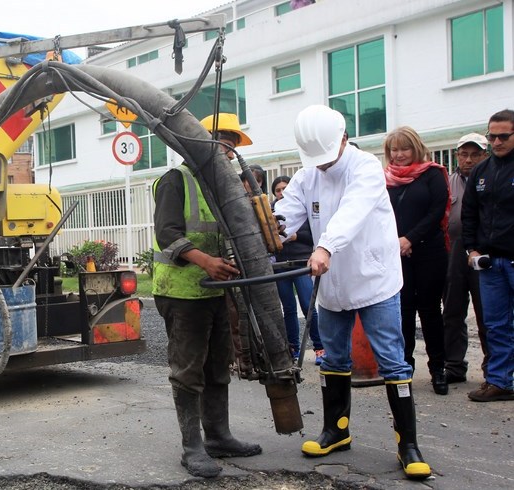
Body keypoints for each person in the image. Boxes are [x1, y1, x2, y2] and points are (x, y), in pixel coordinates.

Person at [275, 105, 432, 479]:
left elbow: (352, 212)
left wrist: (324, 246)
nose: (323, 164)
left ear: (343, 139)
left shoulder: (366, 168)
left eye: (327, 156)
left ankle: (408, 445)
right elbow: (286, 215)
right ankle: (336, 431)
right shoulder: (307, 175)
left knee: (392, 360)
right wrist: (269, 231)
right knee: (333, 359)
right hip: (331, 282)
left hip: (373, 279)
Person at [152, 112, 262, 478]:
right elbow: (167, 234)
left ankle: (218, 436)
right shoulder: (176, 180)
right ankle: (192, 447)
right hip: (182, 292)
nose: (230, 154)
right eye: (225, 146)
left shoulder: (220, 188)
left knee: (217, 366)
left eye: (232, 148)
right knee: (188, 370)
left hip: (216, 291)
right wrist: (206, 262)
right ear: (202, 144)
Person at [383, 127, 451, 395]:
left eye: (405, 149)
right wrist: (397, 242)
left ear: (416, 148)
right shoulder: (385, 178)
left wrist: (410, 239)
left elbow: (436, 212)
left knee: (430, 310)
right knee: (403, 311)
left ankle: (438, 368)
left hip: (428, 250)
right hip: (397, 252)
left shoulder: (432, 174)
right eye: (394, 150)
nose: (399, 155)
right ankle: (404, 367)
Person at [461, 109, 514, 402]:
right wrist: (472, 248)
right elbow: (469, 213)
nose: (496, 142)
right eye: (492, 137)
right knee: (495, 324)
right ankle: (500, 381)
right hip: (490, 262)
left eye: (503, 136)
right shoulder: (482, 171)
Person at [443, 133, 489, 384]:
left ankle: (493, 368)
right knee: (452, 310)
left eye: (475, 154)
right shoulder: (447, 182)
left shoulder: (491, 179)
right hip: (453, 251)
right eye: (464, 154)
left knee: (487, 313)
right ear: (457, 155)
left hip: (484, 252)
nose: (469, 160)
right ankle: (454, 366)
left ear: (484, 155)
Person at [270, 175, 324, 365]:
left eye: (285, 188)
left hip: (301, 263)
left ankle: (319, 347)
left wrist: (295, 237)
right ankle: (293, 348)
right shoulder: (272, 213)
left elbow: (313, 235)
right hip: (281, 265)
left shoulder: (304, 207)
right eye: (278, 190)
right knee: (288, 308)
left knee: (308, 305)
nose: (281, 192)